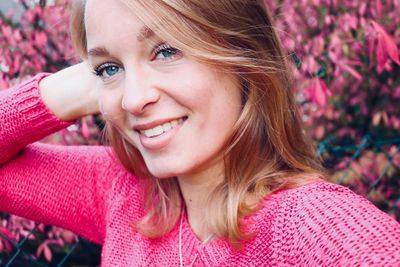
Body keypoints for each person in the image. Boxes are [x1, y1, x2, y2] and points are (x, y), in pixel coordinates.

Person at [1, 0, 399, 266]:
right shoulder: (123, 193)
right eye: (108, 69)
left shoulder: (305, 226)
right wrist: (55, 95)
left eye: (167, 51)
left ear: (244, 57)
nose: (134, 100)